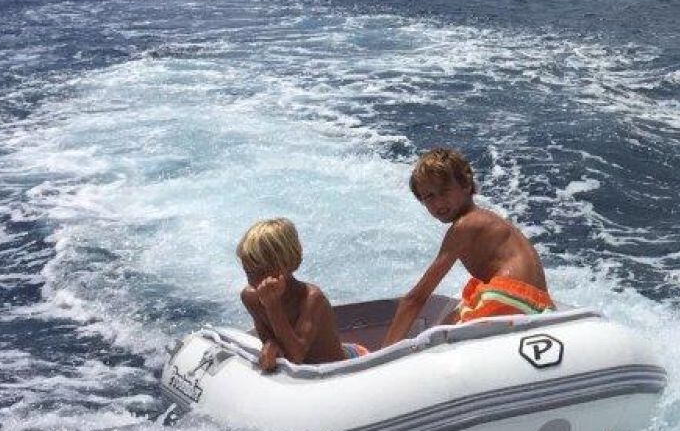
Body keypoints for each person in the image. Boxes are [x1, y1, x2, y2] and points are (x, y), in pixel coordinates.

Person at [382, 148, 553, 346]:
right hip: (539, 305)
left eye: (444, 191)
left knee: (432, 346)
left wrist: (384, 355)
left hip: (508, 297)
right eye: (429, 196)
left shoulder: (464, 226)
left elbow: (416, 298)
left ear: (465, 183)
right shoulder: (487, 219)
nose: (438, 203)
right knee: (445, 322)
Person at [236, 217, 364, 371]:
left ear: (283, 268)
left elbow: (295, 356)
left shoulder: (312, 299)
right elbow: (268, 338)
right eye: (247, 269)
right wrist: (271, 344)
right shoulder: (251, 298)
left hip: (346, 365)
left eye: (257, 271)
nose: (251, 279)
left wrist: (273, 306)